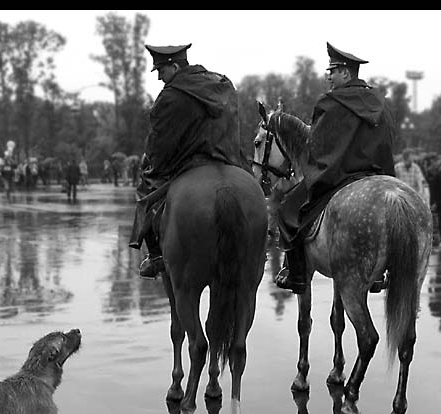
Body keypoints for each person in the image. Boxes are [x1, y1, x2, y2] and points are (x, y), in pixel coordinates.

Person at [273, 43, 396, 293]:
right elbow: (388, 139)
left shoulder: (332, 103)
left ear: (346, 74)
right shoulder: (378, 101)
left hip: (340, 176)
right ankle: (379, 272)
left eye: (333, 70)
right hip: (377, 175)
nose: (328, 75)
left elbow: (317, 145)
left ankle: (295, 274)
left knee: (287, 211)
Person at [128, 43, 250, 279]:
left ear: (174, 66)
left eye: (161, 70)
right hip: (228, 157)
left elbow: (160, 141)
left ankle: (155, 256)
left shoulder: (171, 95)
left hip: (187, 164)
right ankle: (261, 241)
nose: (159, 77)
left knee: (145, 195)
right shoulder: (222, 84)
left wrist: (152, 163)